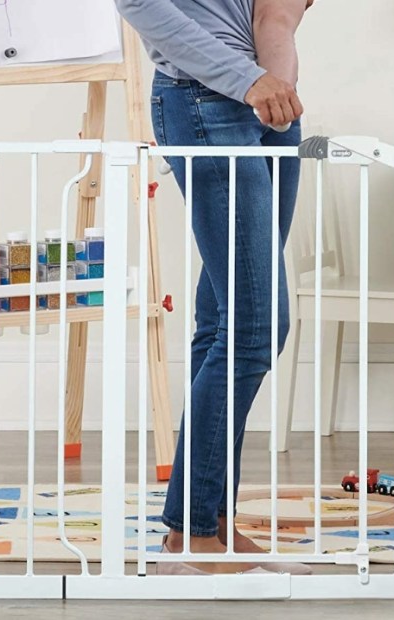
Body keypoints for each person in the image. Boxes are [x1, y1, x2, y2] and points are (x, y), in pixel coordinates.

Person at [115, 0, 312, 575]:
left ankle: (210, 527)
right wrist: (251, 80)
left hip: (271, 105)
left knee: (224, 321)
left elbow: (274, 16)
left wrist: (277, 90)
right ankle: (192, 535)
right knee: (254, 325)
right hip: (206, 99)